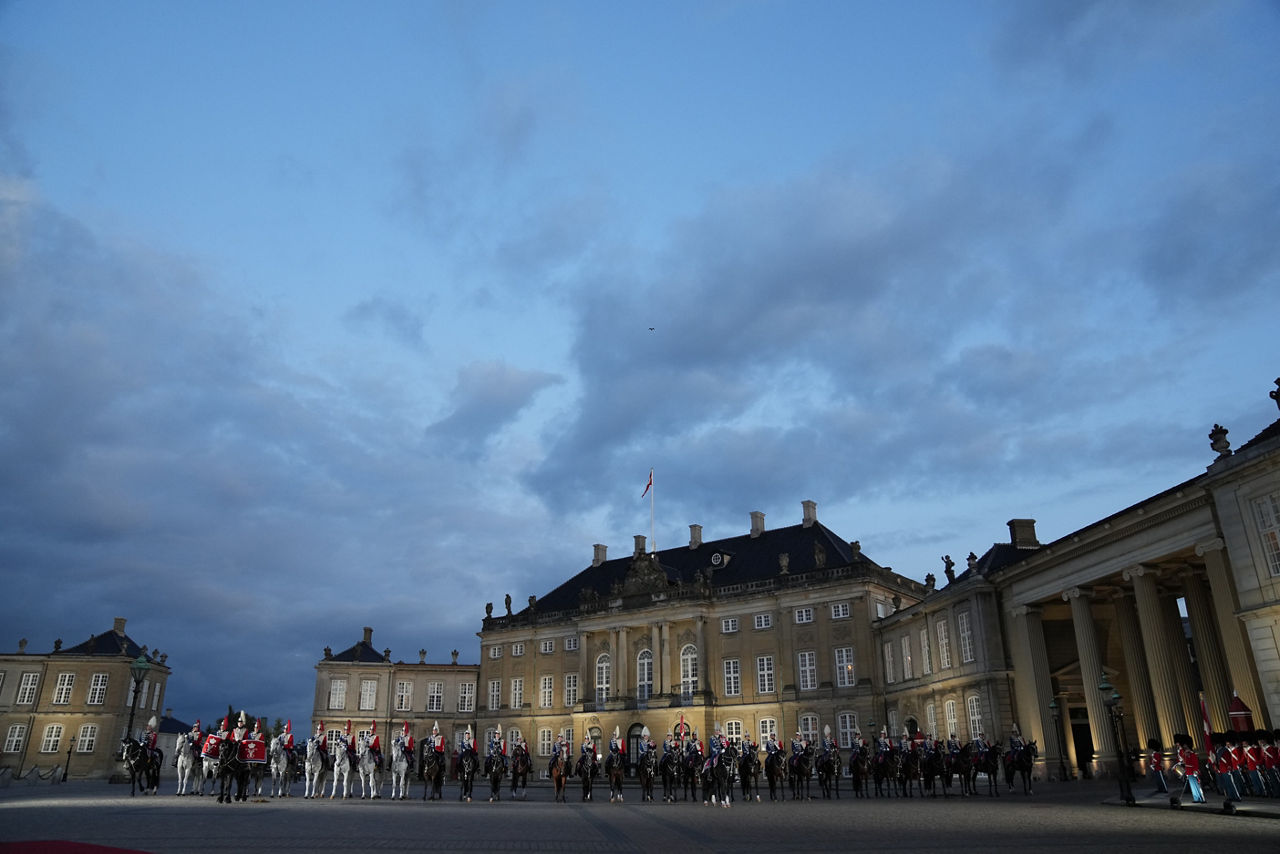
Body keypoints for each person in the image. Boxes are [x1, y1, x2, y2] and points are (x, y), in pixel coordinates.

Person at [1173, 733, 1205, 804]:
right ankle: (1196, 798)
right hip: (1189, 771)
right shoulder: (1186, 753)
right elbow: (1185, 762)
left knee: (1197, 786)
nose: (1184, 746)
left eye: (1185, 745)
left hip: (1193, 771)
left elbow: (1195, 763)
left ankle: (1201, 798)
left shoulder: (1192, 754)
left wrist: (1195, 771)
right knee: (1193, 786)